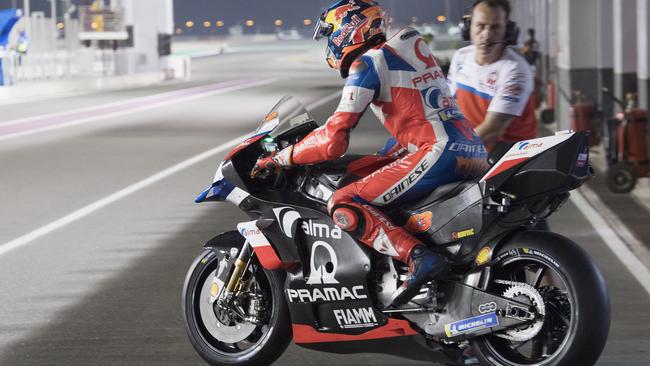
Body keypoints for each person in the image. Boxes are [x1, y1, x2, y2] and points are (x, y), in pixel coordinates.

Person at [250, 0, 487, 306]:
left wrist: (280, 157)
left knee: (343, 200)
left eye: (330, 35)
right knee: (379, 175)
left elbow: (333, 140)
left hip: (438, 153)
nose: (330, 46)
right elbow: (419, 117)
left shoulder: (368, 64)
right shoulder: (410, 46)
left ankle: (417, 257)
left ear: (347, 29)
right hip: (472, 151)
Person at [447, 0, 537, 149]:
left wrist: (452, 151)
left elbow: (492, 130)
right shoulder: (460, 56)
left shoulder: (515, 70)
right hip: (470, 153)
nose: (487, 35)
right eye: (480, 26)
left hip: (508, 161)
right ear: (467, 27)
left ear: (507, 31)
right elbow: (449, 105)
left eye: (495, 27)